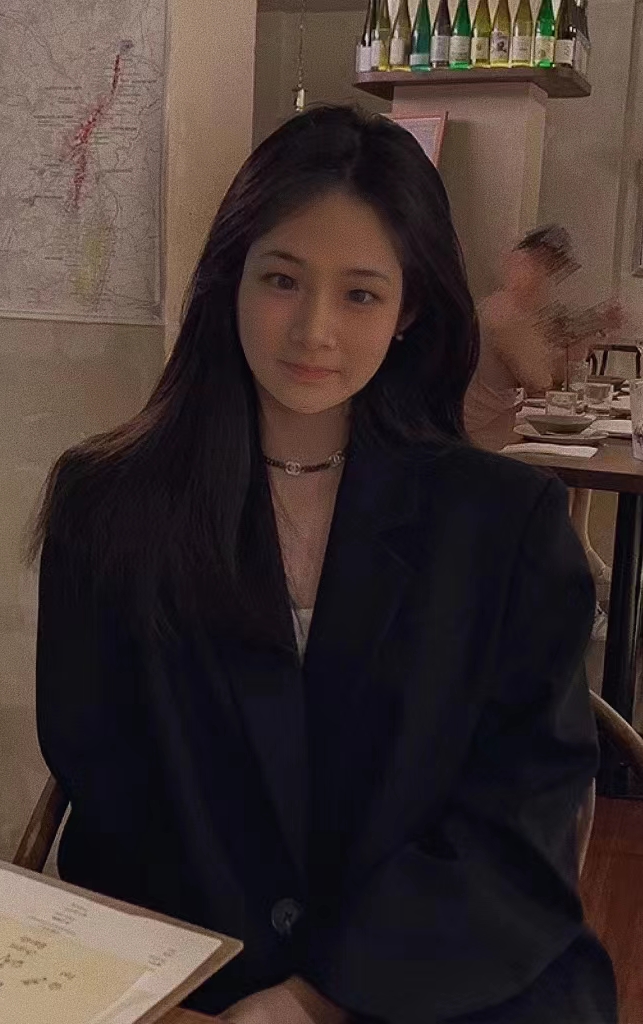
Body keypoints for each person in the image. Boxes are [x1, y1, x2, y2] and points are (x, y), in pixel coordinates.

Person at [35, 106, 617, 1023]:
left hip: (450, 978)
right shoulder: (108, 504)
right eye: (281, 279)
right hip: (206, 975)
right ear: (230, 279)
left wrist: (320, 997)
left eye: (359, 294)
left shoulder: (503, 524)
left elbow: (523, 809)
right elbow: (110, 785)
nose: (313, 330)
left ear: (408, 310)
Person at [464, 227, 624, 597]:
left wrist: (584, 336)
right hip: (479, 437)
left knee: (582, 459)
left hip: (499, 426)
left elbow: (554, 372)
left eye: (553, 273)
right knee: (569, 465)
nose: (548, 282)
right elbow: (542, 380)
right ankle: (560, 581)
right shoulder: (504, 313)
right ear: (519, 263)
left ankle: (582, 552)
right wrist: (579, 340)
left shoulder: (517, 313)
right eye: (545, 269)